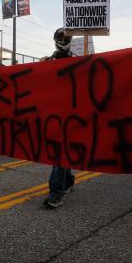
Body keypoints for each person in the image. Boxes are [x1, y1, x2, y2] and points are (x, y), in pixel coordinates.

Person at [42, 28, 76, 209]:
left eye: (67, 38)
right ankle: (68, 180)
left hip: (71, 112)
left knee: (60, 151)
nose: (65, 41)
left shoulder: (76, 59)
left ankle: (56, 192)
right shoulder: (49, 61)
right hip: (54, 112)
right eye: (63, 39)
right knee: (60, 150)